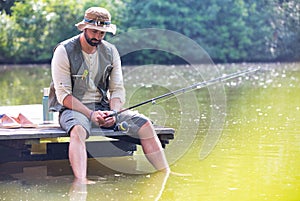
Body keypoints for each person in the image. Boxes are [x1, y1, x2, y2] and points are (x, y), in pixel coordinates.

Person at [50, 7, 170, 183]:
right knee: (78, 131)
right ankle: (81, 180)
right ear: (84, 28)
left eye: (102, 33)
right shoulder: (64, 51)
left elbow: (117, 89)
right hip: (73, 107)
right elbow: (63, 95)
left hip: (104, 107)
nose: (97, 37)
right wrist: (90, 114)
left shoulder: (111, 51)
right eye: (94, 31)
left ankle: (166, 173)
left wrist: (114, 112)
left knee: (145, 125)